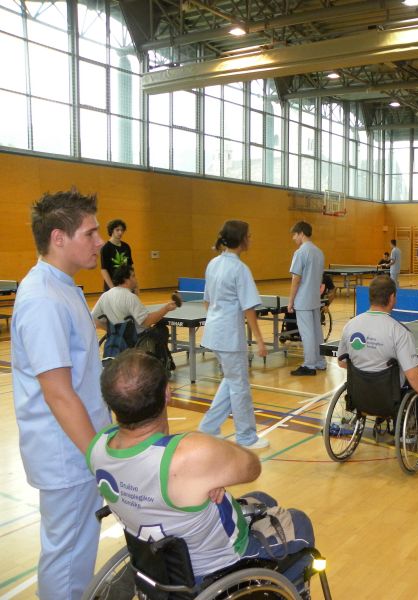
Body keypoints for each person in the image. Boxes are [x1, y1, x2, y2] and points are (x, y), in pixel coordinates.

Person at [89, 350, 314, 589]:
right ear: (167, 393)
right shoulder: (190, 454)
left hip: (161, 564)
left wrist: (205, 477)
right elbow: (252, 467)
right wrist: (213, 468)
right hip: (217, 567)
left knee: (262, 498)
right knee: (300, 522)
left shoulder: (97, 446)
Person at [11, 189, 111, 599]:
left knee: (76, 551)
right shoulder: (43, 299)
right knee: (67, 558)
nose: (100, 241)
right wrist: (99, 458)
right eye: (90, 233)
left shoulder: (64, 287)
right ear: (58, 238)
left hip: (78, 445)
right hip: (67, 453)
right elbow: (58, 394)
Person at [198, 220, 269, 449]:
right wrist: (259, 339)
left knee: (231, 380)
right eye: (249, 235)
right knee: (239, 387)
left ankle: (208, 428)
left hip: (214, 333)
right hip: (229, 336)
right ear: (241, 239)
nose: (251, 238)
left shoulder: (213, 264)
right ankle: (246, 437)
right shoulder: (240, 269)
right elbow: (248, 308)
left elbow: (207, 301)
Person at [337, 276, 418, 416]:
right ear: (392, 297)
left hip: (358, 395)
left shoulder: (350, 326)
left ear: (371, 297)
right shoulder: (400, 331)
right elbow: (412, 375)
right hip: (388, 398)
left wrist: (367, 370)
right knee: (414, 379)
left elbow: (341, 362)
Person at [91, 264, 177, 335]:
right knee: (162, 330)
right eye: (133, 276)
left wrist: (113, 332)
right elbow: (147, 321)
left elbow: (93, 320)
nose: (136, 279)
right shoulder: (130, 297)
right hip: (134, 340)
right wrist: (166, 309)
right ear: (126, 280)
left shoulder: (105, 296)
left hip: (116, 341)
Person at [288, 221, 326, 376]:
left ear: (301, 233)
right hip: (315, 299)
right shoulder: (319, 252)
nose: (293, 238)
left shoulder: (300, 253)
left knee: (307, 333)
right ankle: (320, 361)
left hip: (303, 299)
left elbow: (296, 279)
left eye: (294, 235)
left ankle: (309, 365)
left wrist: (291, 301)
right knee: (317, 332)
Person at [100, 218, 133, 291]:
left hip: (126, 285)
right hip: (112, 285)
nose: (120, 232)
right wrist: (112, 288)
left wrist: (134, 284)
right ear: (112, 230)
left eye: (122, 230)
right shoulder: (106, 248)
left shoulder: (126, 246)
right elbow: (104, 270)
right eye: (117, 230)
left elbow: (130, 267)